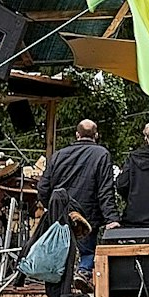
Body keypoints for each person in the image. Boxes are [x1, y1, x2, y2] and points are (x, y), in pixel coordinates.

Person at [39, 119, 113, 279]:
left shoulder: (58, 155)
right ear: (96, 135)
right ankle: (84, 273)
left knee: (62, 253)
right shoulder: (101, 154)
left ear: (77, 134)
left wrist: (52, 207)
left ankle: (59, 280)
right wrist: (111, 218)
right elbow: (105, 190)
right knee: (87, 251)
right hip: (87, 214)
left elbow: (43, 187)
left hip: (62, 212)